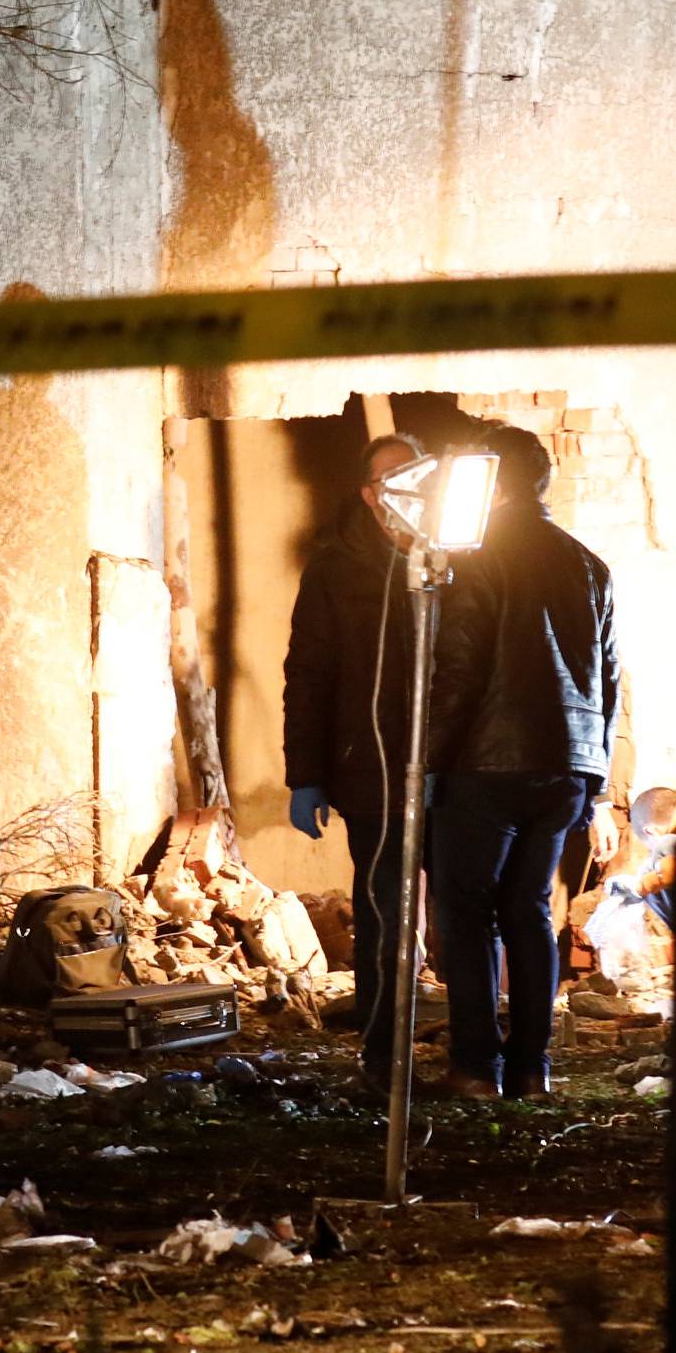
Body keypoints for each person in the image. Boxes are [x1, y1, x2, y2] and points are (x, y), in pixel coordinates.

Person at [426, 424, 620, 1098]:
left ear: (494, 483)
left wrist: (426, 759)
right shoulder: (589, 565)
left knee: (469, 912)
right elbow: (611, 678)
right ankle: (533, 1068)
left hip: (486, 763)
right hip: (567, 766)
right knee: (530, 911)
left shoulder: (479, 557)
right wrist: (593, 773)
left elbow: (460, 667)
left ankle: (477, 1068)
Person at [282, 429, 422, 1092]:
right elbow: (307, 675)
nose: (403, 490)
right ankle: (382, 1055)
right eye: (389, 480)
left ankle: (473, 1052)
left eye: (414, 475)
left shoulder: (456, 557)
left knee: (461, 909)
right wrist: (306, 775)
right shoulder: (337, 570)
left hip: (451, 768)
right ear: (368, 493)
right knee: (381, 913)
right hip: (370, 771)